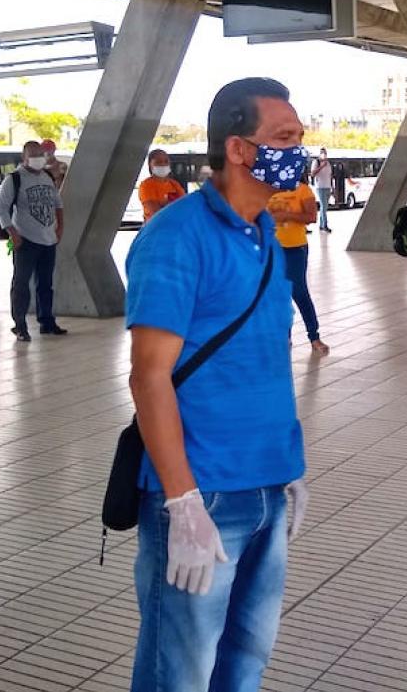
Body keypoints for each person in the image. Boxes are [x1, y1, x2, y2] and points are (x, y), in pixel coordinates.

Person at [124, 77, 309, 692]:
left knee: (246, 660)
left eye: (299, 137)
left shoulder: (266, 236)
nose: (298, 150)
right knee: (179, 671)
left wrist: (289, 465)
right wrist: (183, 504)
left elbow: (266, 357)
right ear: (238, 148)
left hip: (266, 486)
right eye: (284, 137)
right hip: (203, 494)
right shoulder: (176, 236)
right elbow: (149, 375)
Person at [0, 141, 67, 342]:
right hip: (25, 241)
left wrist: (60, 227)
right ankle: (20, 325)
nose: (38, 158)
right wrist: (12, 233)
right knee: (21, 283)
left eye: (40, 154)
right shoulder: (14, 179)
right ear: (24, 157)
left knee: (45, 284)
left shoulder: (47, 177)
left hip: (48, 240)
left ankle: (47, 322)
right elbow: (0, 208)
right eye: (33, 155)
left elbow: (58, 204)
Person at [267, 172, 329, 355]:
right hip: (272, 248)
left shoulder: (303, 190)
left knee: (299, 292)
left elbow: (311, 217)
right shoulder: (267, 189)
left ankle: (314, 336)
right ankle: (283, 337)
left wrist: (286, 215)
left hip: (295, 248)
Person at [138, 148, 186, 223]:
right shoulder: (146, 185)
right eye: (158, 162)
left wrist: (165, 206)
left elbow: (185, 206)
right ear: (150, 165)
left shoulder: (174, 184)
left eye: (166, 161)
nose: (163, 164)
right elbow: (155, 212)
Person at [311, 148, 333, 232]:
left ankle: (321, 224)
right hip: (320, 187)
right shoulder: (316, 162)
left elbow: (330, 175)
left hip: (328, 186)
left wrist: (332, 187)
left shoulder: (328, 163)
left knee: (325, 207)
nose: (324, 154)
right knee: (323, 206)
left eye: (325, 153)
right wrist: (321, 166)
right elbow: (312, 173)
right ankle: (325, 225)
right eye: (322, 153)